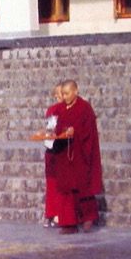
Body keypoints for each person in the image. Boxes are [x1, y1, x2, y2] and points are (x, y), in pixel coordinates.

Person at [48, 80, 103, 234]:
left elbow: (89, 132)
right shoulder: (60, 108)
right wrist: (49, 132)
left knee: (82, 187)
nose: (64, 97)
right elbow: (55, 127)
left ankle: (88, 217)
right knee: (65, 189)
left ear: (75, 91)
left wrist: (75, 131)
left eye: (67, 94)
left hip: (79, 154)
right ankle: (69, 224)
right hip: (63, 154)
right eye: (62, 94)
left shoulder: (85, 108)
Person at [42, 82, 65, 228]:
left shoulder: (71, 109)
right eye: (56, 93)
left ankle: (59, 214)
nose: (58, 96)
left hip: (64, 149)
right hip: (52, 147)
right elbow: (49, 127)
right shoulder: (53, 109)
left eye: (61, 93)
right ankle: (51, 213)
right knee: (51, 183)